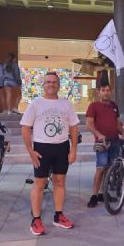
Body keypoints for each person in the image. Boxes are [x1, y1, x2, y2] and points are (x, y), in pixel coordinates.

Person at [20, 72, 80, 236]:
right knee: (39, 183)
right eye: (48, 82)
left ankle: (58, 215)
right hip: (41, 148)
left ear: (59, 84)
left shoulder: (66, 104)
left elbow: (74, 127)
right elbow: (25, 128)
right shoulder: (36, 104)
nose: (51, 84)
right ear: (43, 85)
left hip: (62, 148)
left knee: (60, 182)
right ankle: (36, 219)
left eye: (54, 82)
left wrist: (73, 149)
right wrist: (30, 151)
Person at [85, 83, 124, 208]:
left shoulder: (114, 106)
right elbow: (89, 124)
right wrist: (99, 134)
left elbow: (117, 122)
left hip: (115, 141)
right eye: (103, 90)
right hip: (102, 142)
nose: (106, 92)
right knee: (101, 168)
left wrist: (123, 133)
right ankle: (94, 195)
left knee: (110, 168)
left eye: (108, 90)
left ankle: (104, 193)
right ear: (99, 92)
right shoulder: (94, 106)